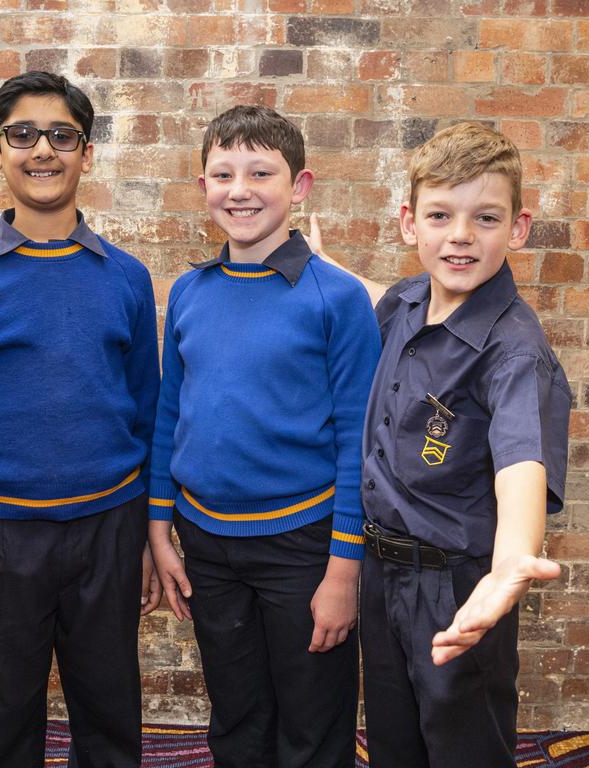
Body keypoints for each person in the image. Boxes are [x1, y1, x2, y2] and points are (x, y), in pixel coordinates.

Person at [0, 71, 161, 768]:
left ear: (86, 153)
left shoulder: (127, 278)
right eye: (22, 135)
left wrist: (143, 536)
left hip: (108, 532)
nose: (42, 150)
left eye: (62, 135)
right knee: (3, 717)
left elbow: (146, 413)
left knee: (111, 712)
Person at [314, 121, 571, 768]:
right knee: (396, 746)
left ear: (517, 228)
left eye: (485, 217)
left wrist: (512, 560)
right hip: (384, 576)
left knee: (462, 751)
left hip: (457, 586)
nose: (460, 235)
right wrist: (326, 266)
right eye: (440, 216)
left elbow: (522, 460)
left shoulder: (514, 352)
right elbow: (373, 293)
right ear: (410, 224)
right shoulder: (406, 302)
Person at [147, 104, 381, 768]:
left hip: (303, 547)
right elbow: (171, 414)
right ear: (203, 188)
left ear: (299, 187)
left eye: (260, 172)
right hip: (208, 543)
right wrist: (159, 528)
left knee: (312, 716)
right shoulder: (191, 292)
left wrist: (343, 568)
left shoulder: (336, 298)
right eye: (223, 173)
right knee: (237, 710)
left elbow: (354, 444)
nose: (240, 189)